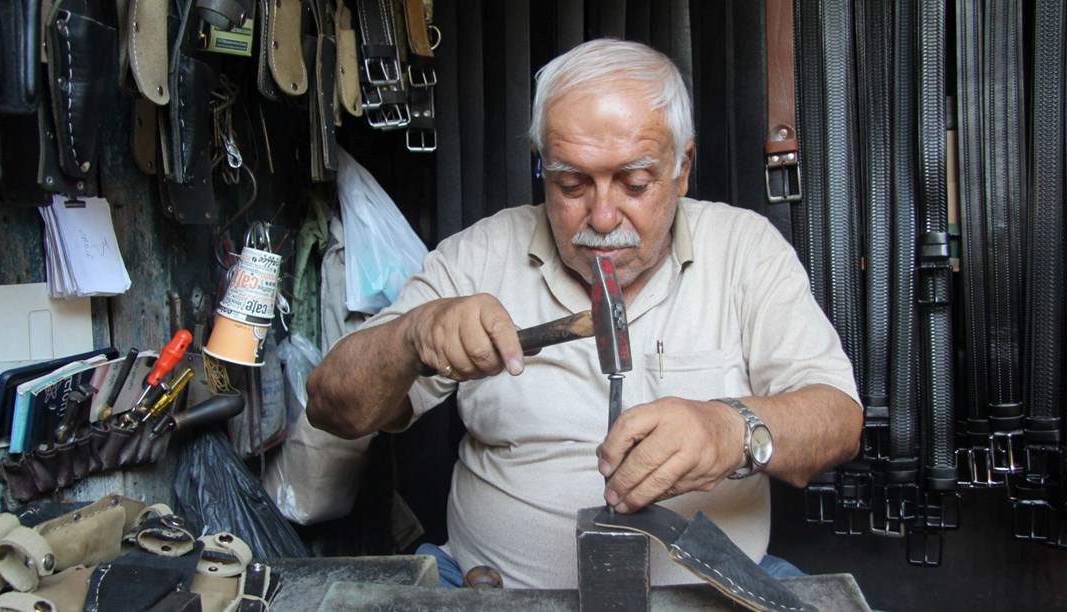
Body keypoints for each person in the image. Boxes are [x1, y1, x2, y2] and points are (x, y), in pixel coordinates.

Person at [307, 38, 863, 589]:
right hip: (494, 589)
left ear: (682, 167)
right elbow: (331, 407)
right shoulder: (479, 256)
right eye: (571, 184)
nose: (601, 218)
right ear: (542, 166)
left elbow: (839, 420)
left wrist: (730, 430)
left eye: (635, 184)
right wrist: (410, 337)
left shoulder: (745, 249)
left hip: (714, 592)